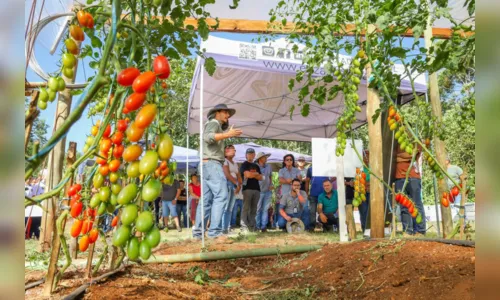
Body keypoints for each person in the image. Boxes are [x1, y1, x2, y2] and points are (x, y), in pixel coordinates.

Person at [193, 103, 242, 240]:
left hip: (205, 164)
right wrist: (227, 134)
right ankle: (214, 233)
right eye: (225, 112)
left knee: (206, 200)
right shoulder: (214, 123)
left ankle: (198, 234)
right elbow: (208, 137)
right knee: (221, 196)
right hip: (212, 164)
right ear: (217, 113)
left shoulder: (213, 124)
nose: (228, 115)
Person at [394, 143, 426, 236]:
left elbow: (412, 155)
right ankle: (408, 230)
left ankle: (420, 230)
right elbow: (392, 157)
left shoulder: (415, 142)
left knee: (416, 204)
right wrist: (404, 156)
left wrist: (399, 157)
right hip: (399, 178)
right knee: (404, 206)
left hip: (413, 177)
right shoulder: (395, 143)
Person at [240, 148, 263, 232]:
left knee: (254, 209)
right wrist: (256, 174)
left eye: (252, 153)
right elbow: (247, 175)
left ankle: (252, 226)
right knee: (246, 208)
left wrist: (253, 175)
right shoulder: (244, 164)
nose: (250, 155)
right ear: (246, 155)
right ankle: (244, 226)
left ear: (254, 155)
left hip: (257, 189)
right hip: (247, 189)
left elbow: (261, 177)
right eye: (249, 153)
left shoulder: (256, 166)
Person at [222, 145, 242, 234]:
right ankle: (223, 229)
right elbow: (227, 174)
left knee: (230, 208)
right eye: (232, 150)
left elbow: (239, 175)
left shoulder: (235, 163)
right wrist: (237, 183)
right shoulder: (225, 161)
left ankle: (227, 228)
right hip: (227, 184)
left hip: (235, 185)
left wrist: (239, 185)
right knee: (226, 207)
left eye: (235, 150)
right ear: (227, 151)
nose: (234, 151)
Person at [255, 152, 273, 232]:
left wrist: (271, 184)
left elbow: (270, 176)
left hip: (268, 191)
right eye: (264, 157)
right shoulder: (255, 166)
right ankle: (257, 226)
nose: (266, 158)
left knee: (265, 209)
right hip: (258, 191)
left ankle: (263, 226)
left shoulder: (269, 166)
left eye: (266, 157)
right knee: (258, 209)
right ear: (260, 158)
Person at [445, 157, 465, 221]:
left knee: (458, 208)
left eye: (444, 160)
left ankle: (462, 225)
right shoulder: (442, 169)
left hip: (456, 191)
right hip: (447, 192)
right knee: (447, 209)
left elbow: (463, 178)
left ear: (448, 161)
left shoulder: (455, 168)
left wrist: (462, 188)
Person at [358, 150, 371, 232]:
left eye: (368, 156)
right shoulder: (359, 167)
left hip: (370, 192)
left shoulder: (372, 167)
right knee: (363, 211)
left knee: (370, 211)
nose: (366, 158)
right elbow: (356, 180)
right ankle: (365, 230)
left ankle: (371, 229)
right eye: (365, 156)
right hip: (361, 192)